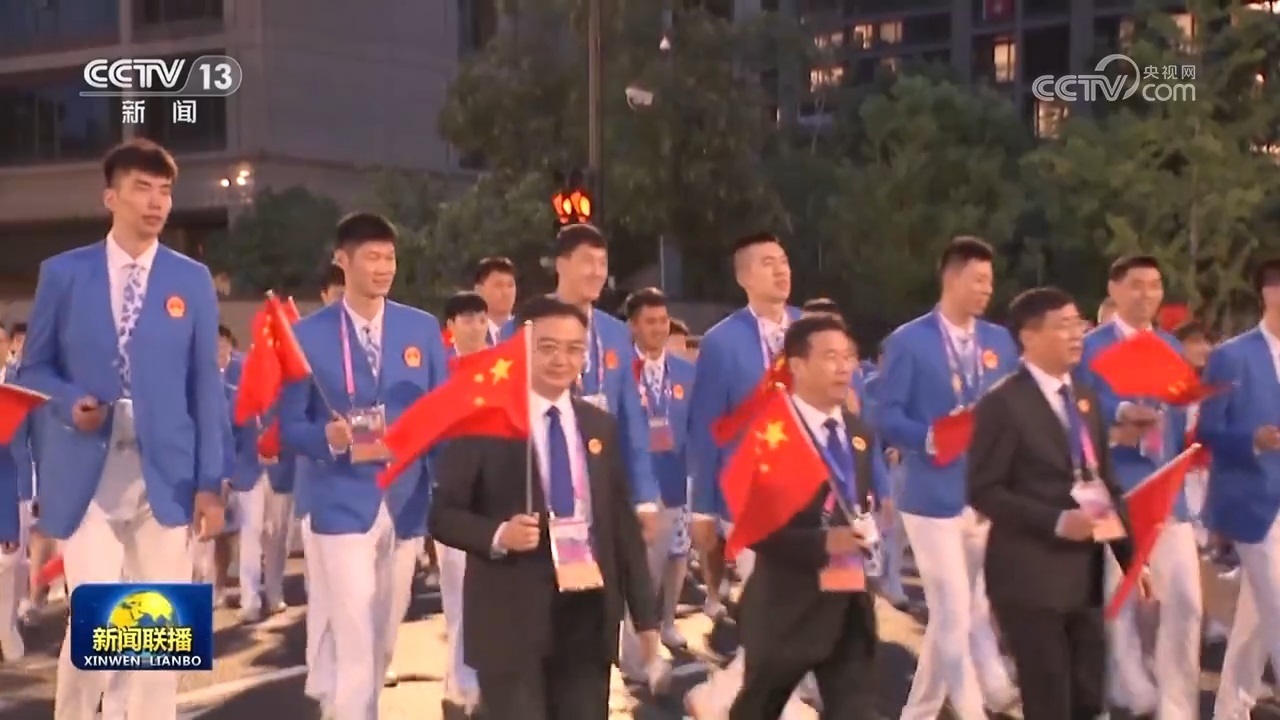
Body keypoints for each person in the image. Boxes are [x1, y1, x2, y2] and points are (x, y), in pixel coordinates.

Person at [18, 138, 227, 720]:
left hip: (167, 476)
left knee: (160, 641)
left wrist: (210, 482)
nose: (156, 202)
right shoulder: (64, 274)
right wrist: (69, 402)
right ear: (111, 197)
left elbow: (205, 387)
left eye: (165, 191)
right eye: (142, 188)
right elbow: (32, 370)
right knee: (98, 630)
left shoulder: (191, 279)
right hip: (88, 474)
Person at [430, 295, 660, 720]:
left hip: (587, 616)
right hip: (510, 620)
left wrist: (646, 621)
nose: (562, 359)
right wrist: (499, 535)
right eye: (548, 347)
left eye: (574, 349)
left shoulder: (599, 426)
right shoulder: (484, 421)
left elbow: (621, 528)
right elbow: (443, 515)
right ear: (522, 349)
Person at [278, 212, 447, 719]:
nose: (383, 267)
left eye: (389, 257)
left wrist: (447, 493)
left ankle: (346, 709)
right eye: (372, 257)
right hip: (339, 503)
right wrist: (324, 438)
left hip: (405, 501)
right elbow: (287, 425)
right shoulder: (307, 336)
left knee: (383, 637)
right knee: (355, 633)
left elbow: (441, 416)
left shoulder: (421, 329)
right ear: (342, 260)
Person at [969, 286, 1145, 718]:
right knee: (1049, 701)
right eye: (1063, 326)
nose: (1076, 334)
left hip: (1084, 578)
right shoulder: (1002, 404)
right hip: (1030, 577)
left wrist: (1133, 560)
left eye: (1078, 323)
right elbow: (984, 490)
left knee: (1087, 696)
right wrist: (1056, 521)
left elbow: (1106, 483)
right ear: (1028, 337)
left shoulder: (1084, 398)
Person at [874, 236, 1019, 718]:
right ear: (951, 278)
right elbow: (886, 414)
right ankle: (972, 708)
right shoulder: (908, 341)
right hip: (930, 495)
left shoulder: (999, 342)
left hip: (983, 494)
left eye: (990, 281)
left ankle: (918, 712)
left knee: (954, 615)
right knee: (955, 608)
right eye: (978, 280)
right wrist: (929, 437)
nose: (986, 290)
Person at [730, 314, 889, 720]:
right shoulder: (771, 433)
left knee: (857, 711)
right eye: (830, 357)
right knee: (757, 709)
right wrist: (823, 542)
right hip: (788, 609)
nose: (844, 367)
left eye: (849, 357)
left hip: (848, 607)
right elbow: (755, 528)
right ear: (798, 365)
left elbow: (853, 502)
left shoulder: (857, 432)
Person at [685, 232, 808, 719]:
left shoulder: (812, 330)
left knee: (799, 606)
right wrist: (702, 507)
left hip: (810, 492)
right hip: (750, 497)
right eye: (767, 263)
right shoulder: (721, 342)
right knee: (775, 603)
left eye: (784, 261)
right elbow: (705, 428)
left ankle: (721, 693)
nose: (781, 270)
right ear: (743, 277)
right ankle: (778, 703)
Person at [1077, 256, 1199, 718]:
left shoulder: (1170, 346)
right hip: (1109, 491)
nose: (1146, 294)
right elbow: (1075, 408)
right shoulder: (1089, 348)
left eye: (1154, 285)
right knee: (1117, 598)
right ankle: (1124, 689)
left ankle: (1177, 706)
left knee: (1185, 600)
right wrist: (1120, 415)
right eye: (1136, 285)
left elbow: (1179, 415)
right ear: (1114, 289)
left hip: (1166, 491)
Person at [500, 225, 660, 537]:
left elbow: (631, 418)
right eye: (588, 261)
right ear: (561, 265)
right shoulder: (524, 326)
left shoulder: (616, 333)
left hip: (602, 484)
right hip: (539, 480)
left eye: (603, 263)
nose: (597, 272)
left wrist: (644, 498)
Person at [1200, 257, 1280, 719]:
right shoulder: (1231, 356)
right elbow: (1207, 430)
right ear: (1268, 292)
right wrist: (1253, 439)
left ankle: (1231, 708)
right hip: (1253, 503)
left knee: (1255, 618)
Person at [619, 287, 696, 674]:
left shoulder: (685, 372)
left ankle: (642, 654)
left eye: (663, 320)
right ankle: (635, 660)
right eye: (649, 321)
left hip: (671, 482)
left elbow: (697, 428)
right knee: (635, 574)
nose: (659, 328)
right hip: (628, 485)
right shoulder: (619, 370)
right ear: (632, 326)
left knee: (655, 572)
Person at [437, 290, 489, 717]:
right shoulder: (439, 370)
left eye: (481, 318)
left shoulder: (502, 368)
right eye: (467, 319)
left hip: (494, 495)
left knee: (486, 592)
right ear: (450, 326)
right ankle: (462, 682)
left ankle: (468, 678)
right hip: (453, 496)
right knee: (458, 592)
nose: (476, 326)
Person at [295, 263, 344, 715]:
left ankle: (342, 677)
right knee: (326, 593)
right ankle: (325, 679)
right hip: (320, 488)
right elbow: (290, 423)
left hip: (370, 492)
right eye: (337, 291)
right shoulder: (305, 343)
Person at [474, 256, 518, 345]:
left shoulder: (527, 333)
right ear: (479, 290)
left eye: (510, 285)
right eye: (498, 285)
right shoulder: (467, 334)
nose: (506, 292)